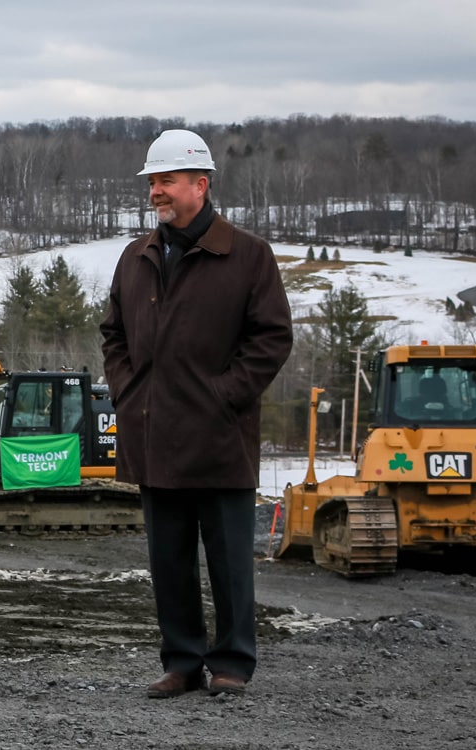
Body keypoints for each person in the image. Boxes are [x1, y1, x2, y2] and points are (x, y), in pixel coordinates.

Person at [101, 129, 292, 698]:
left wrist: (223, 396)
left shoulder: (247, 255)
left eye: (166, 181)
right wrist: (129, 391)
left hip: (219, 438)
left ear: (200, 184)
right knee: (169, 561)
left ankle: (231, 662)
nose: (156, 191)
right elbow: (113, 334)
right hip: (155, 435)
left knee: (231, 561)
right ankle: (182, 662)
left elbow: (272, 338)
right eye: (153, 182)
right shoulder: (136, 257)